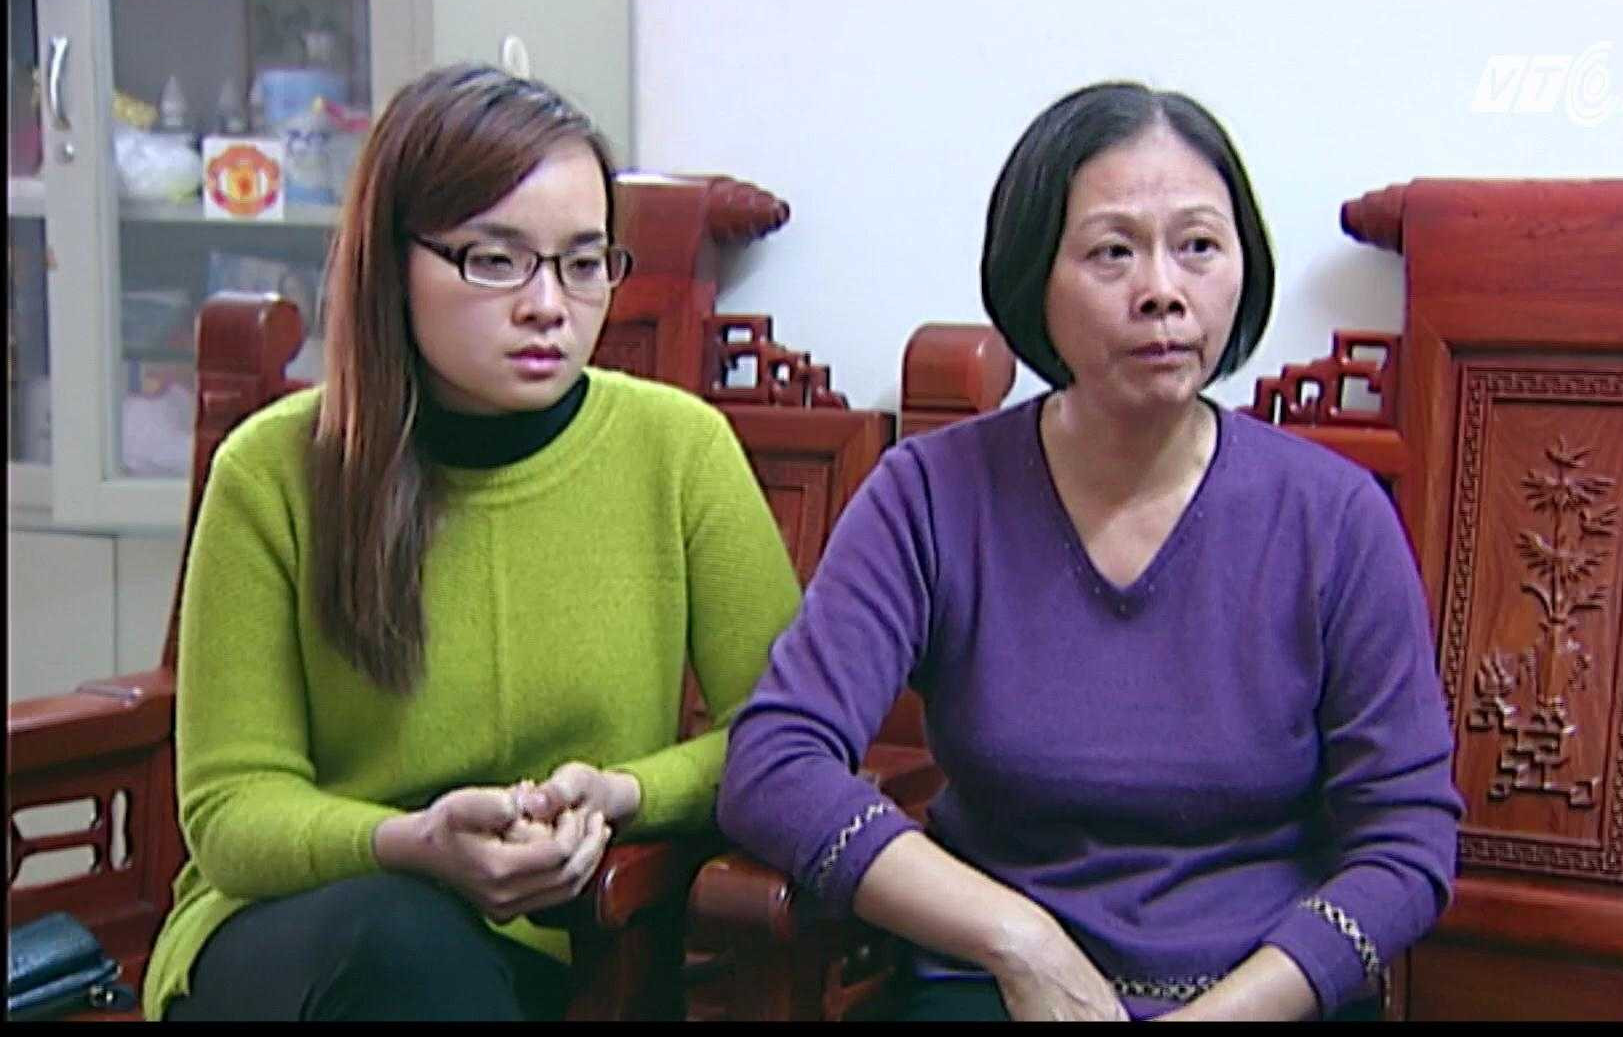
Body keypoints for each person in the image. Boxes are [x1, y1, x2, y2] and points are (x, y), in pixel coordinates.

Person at [717, 82, 1463, 1022]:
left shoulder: (1334, 517)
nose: (1163, 291)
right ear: (1033, 275)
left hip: (1263, 997)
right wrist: (1019, 940)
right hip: (994, 991)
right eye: (1113, 251)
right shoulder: (931, 495)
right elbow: (774, 762)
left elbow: (1407, 841)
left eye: (1199, 246)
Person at [144, 64, 801, 1021]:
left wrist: (624, 793)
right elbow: (233, 806)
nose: (548, 306)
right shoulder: (271, 470)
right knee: (400, 943)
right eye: (497, 260)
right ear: (393, 262)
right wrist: (411, 845)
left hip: (569, 937)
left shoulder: (679, 449)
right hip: (302, 932)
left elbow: (779, 732)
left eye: (584, 263)